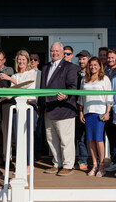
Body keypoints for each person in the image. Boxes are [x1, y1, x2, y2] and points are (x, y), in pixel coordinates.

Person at [38, 42, 78, 176]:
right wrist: (40, 105)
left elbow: (73, 86)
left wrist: (66, 95)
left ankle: (68, 165)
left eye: (57, 51)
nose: (54, 53)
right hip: (48, 109)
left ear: (62, 52)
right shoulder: (45, 67)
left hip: (63, 109)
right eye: (52, 51)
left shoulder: (70, 67)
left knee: (65, 140)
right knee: (51, 139)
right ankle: (57, 163)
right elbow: (42, 88)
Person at [0, 50, 37, 175]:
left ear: (27, 61)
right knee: (18, 136)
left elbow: (25, 85)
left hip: (29, 105)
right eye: (19, 59)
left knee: (28, 136)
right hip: (16, 106)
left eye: (23, 60)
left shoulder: (31, 73)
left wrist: (8, 77)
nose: (21, 62)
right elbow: (11, 94)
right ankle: (21, 163)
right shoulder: (14, 76)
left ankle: (29, 164)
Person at [78, 57, 112, 177]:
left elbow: (109, 98)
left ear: (99, 66)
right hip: (88, 112)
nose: (93, 67)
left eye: (95, 65)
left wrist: (108, 112)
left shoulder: (105, 79)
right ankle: (94, 165)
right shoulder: (84, 79)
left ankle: (102, 166)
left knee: (99, 139)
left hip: (100, 113)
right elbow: (81, 98)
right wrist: (81, 112)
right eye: (91, 65)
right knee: (91, 140)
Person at [104, 48, 116, 172]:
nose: (110, 59)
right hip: (106, 108)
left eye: (112, 58)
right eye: (108, 57)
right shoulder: (104, 70)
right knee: (111, 137)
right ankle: (115, 161)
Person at [74, 50, 91, 171]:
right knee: (80, 137)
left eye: (83, 58)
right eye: (80, 59)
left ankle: (98, 162)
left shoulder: (94, 74)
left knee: (94, 137)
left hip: (92, 109)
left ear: (89, 60)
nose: (81, 61)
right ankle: (83, 160)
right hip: (79, 108)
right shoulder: (76, 74)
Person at [0, 50, 15, 165]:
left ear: (4, 60)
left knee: (6, 131)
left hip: (6, 103)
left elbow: (11, 87)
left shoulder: (9, 70)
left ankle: (7, 158)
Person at [30, 53, 44, 160]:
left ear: (38, 62)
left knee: (37, 131)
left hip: (38, 105)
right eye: (31, 59)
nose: (32, 61)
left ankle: (36, 153)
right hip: (26, 105)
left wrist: (39, 106)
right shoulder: (25, 73)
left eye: (35, 59)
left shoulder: (42, 74)